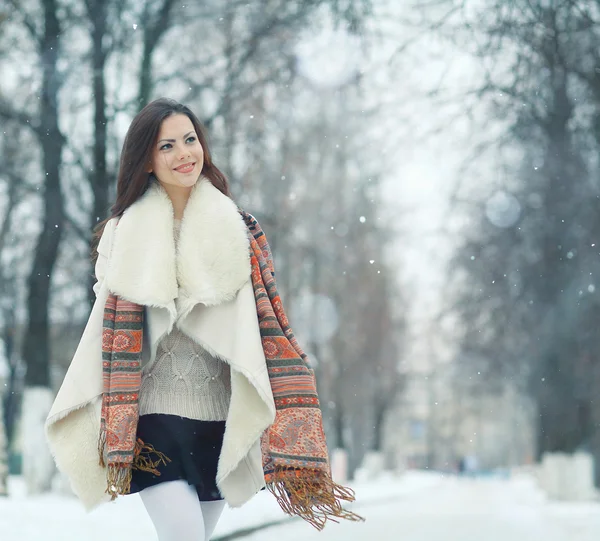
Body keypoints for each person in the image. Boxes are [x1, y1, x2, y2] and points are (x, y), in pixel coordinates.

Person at [45, 98, 362, 541]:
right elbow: (106, 325)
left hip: (217, 419)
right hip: (152, 419)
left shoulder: (239, 230)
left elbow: (263, 322)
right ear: (148, 161)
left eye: (190, 140)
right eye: (167, 146)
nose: (184, 154)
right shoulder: (124, 233)